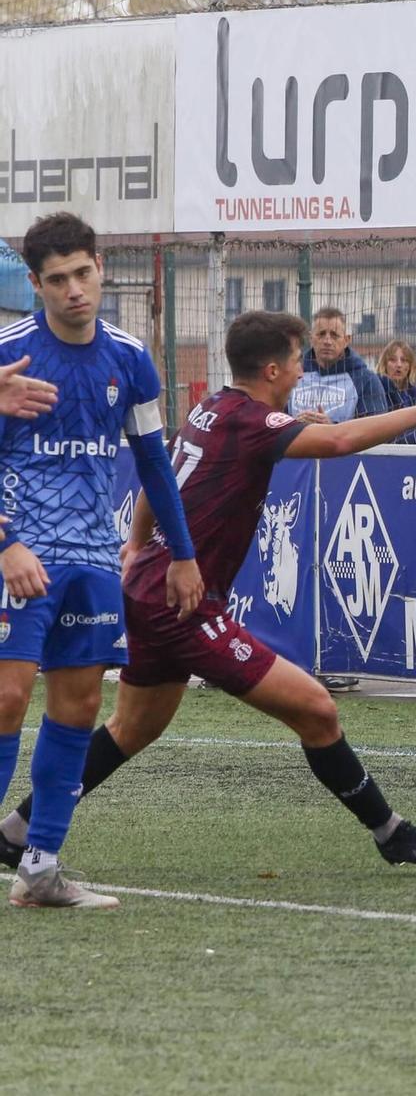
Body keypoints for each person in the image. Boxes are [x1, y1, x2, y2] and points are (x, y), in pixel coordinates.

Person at [0, 311, 416, 875]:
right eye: (297, 361)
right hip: (182, 601)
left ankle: (16, 832)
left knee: (133, 729)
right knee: (318, 710)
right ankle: (390, 832)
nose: (301, 372)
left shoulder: (211, 408)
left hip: (155, 587)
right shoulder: (252, 422)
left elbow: (159, 476)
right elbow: (343, 438)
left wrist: (136, 543)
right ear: (272, 368)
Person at [0, 211, 203, 910]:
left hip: (91, 557)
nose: (73, 290)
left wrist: (180, 553)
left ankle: (42, 868)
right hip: (18, 555)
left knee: (80, 707)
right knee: (5, 699)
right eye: (56, 280)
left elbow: (153, 459)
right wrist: (6, 545)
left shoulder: (129, 356)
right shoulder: (10, 356)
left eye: (82, 273)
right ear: (35, 284)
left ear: (99, 267)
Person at [288, 306, 387, 425]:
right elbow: (274, 421)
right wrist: (293, 426)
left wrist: (332, 428)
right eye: (321, 334)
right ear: (311, 339)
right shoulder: (291, 373)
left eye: (334, 335)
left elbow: (374, 430)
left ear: (346, 340)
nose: (327, 341)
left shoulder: (366, 380)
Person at [376, 339, 416, 445]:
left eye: (404, 360)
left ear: (410, 366)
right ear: (384, 364)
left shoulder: (413, 395)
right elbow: (391, 441)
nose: (399, 365)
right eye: (392, 360)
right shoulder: (378, 391)